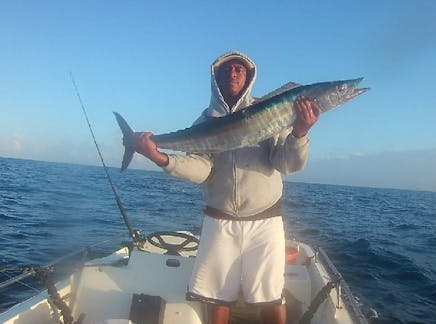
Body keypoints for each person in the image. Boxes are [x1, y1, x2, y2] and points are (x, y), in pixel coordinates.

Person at [130, 51, 321, 324]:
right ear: (215, 78)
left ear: (248, 77)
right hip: (219, 220)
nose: (232, 73)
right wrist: (159, 156)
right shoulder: (204, 122)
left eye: (238, 70)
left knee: (271, 297)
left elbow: (286, 164)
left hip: (265, 220)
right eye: (225, 70)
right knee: (217, 298)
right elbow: (203, 170)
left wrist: (300, 132)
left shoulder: (270, 113)